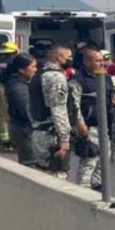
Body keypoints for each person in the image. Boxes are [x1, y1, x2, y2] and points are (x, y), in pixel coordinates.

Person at [69, 47, 115, 191]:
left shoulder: (107, 77)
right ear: (87, 62)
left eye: (102, 60)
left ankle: (98, 188)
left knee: (104, 160)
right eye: (97, 61)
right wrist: (80, 125)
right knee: (89, 160)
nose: (102, 63)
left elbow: (114, 94)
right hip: (90, 127)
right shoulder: (78, 80)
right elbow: (74, 105)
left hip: (106, 127)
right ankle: (83, 191)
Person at [29, 44, 74, 178]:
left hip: (38, 131)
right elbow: (58, 109)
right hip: (52, 135)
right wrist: (65, 138)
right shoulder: (56, 77)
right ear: (59, 57)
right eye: (69, 57)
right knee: (58, 175)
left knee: (42, 174)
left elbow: (30, 105)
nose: (71, 59)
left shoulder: (37, 75)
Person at [4, 53, 36, 165]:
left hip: (24, 129)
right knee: (30, 165)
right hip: (25, 131)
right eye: (32, 67)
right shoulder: (18, 87)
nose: (35, 70)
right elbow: (27, 110)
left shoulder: (22, 84)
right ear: (22, 70)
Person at [0, 41, 18, 149]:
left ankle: (6, 142)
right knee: (10, 117)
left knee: (3, 117)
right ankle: (10, 141)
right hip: (10, 90)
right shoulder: (16, 63)